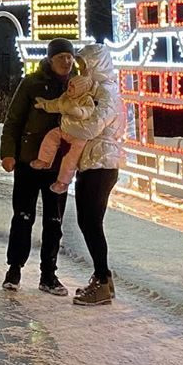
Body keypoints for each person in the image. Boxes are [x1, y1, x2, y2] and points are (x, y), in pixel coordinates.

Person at [0, 38, 78, 296]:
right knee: (23, 216)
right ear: (50, 59)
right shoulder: (32, 84)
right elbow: (13, 120)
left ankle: (49, 274)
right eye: (61, 57)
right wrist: (8, 153)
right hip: (28, 162)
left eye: (70, 57)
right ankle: (14, 269)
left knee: (54, 221)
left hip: (59, 165)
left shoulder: (78, 87)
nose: (66, 62)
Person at [65, 43, 126, 307]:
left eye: (83, 65)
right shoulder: (97, 90)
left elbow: (91, 127)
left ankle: (102, 280)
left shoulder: (107, 92)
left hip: (101, 164)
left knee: (91, 222)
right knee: (87, 221)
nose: (80, 70)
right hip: (92, 162)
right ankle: (102, 277)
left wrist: (67, 123)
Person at [30, 72, 97, 193]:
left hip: (79, 135)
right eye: (69, 86)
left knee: (70, 159)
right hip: (65, 129)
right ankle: (44, 159)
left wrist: (78, 112)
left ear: (81, 89)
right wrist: (44, 104)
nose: (69, 89)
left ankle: (63, 182)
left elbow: (88, 111)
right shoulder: (65, 97)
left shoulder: (86, 99)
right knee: (50, 137)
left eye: (73, 87)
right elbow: (56, 104)